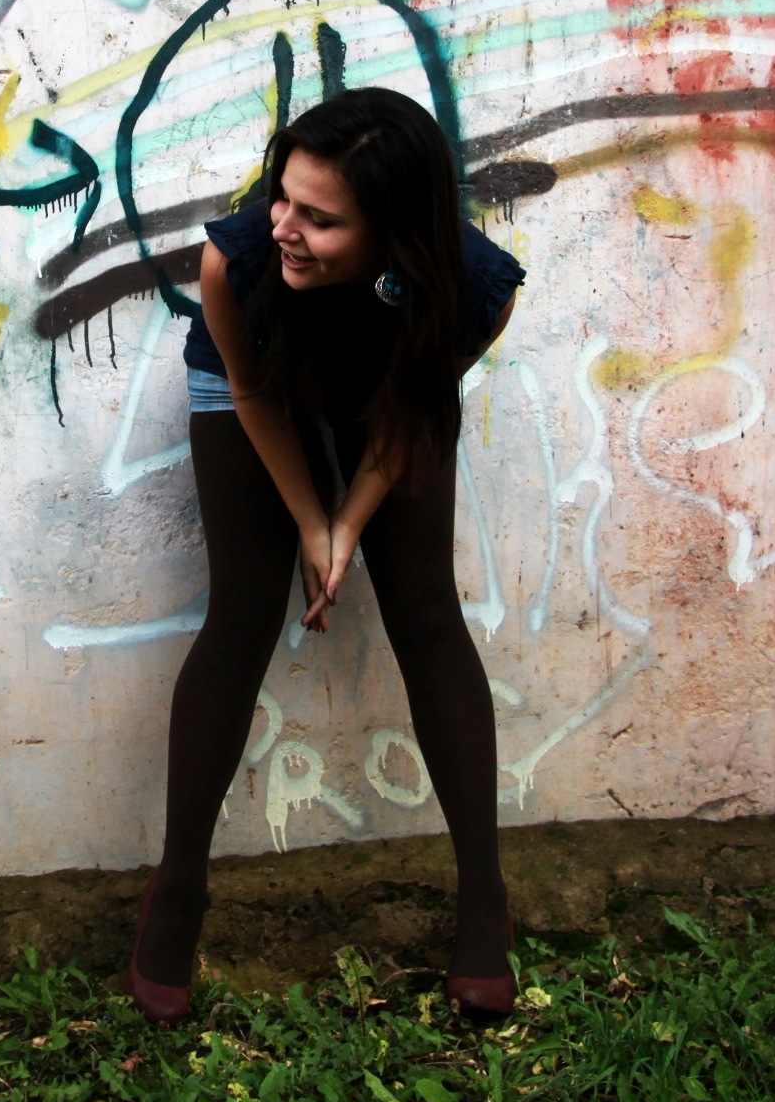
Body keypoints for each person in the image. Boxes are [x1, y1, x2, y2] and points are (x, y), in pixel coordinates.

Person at [128, 86, 526, 1026]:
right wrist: (314, 523)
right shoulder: (239, 264)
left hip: (389, 383)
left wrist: (353, 522)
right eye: (283, 196)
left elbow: (406, 411)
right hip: (257, 377)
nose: (284, 226)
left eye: (319, 217)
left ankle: (485, 898)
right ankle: (177, 889)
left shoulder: (475, 289)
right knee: (242, 612)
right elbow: (253, 394)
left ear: (393, 231)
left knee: (425, 609)